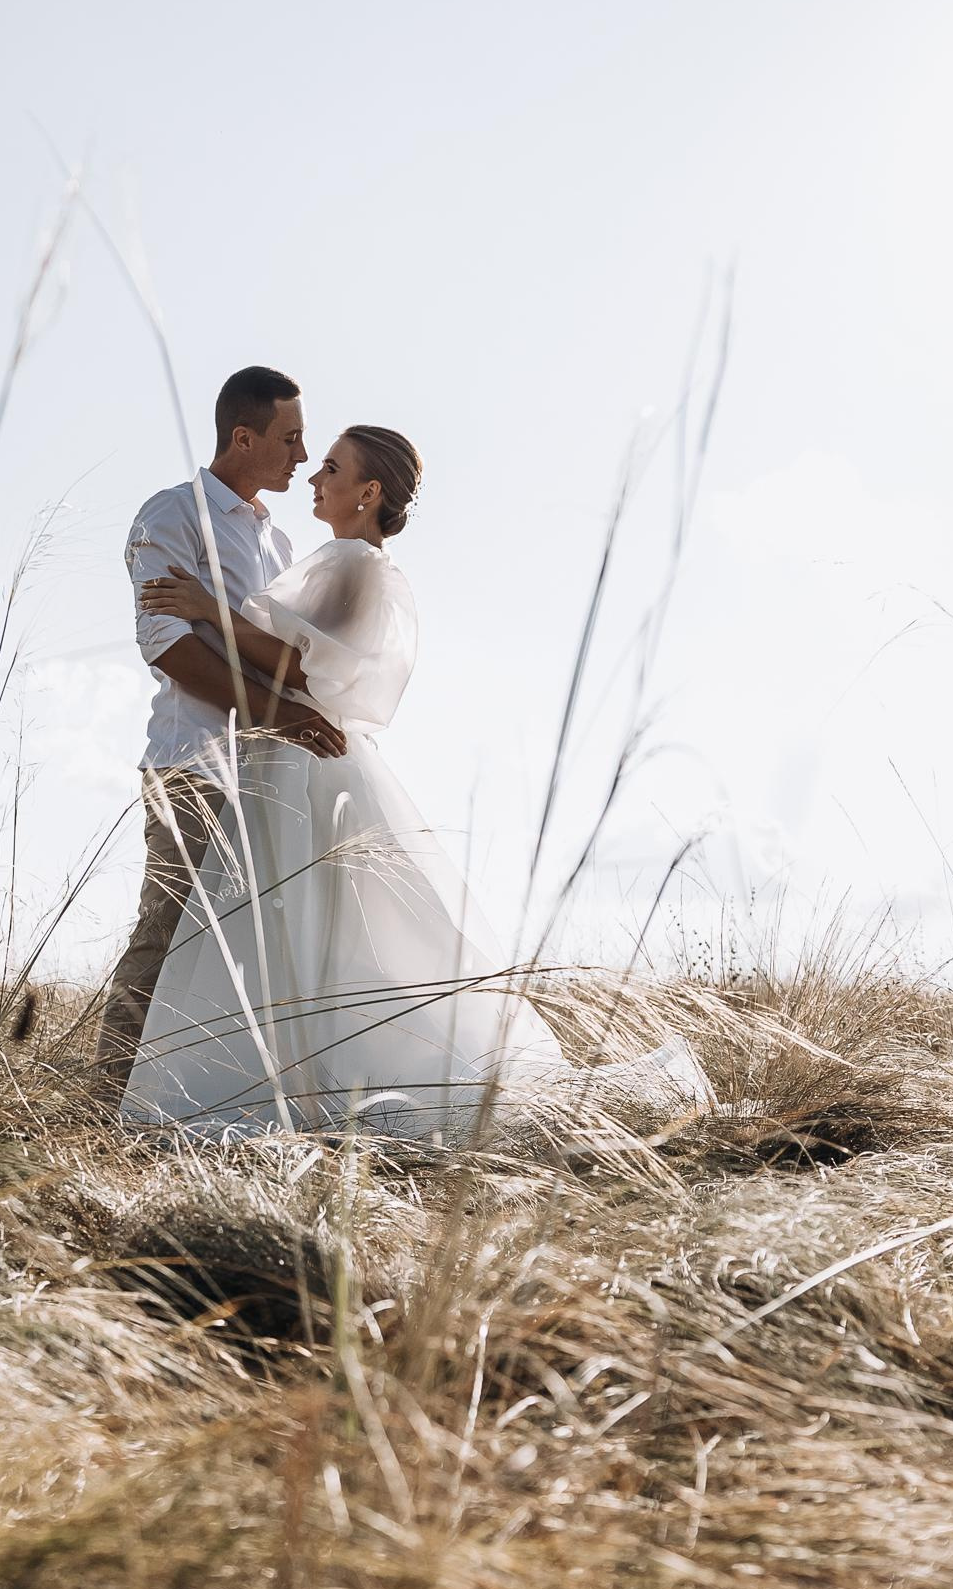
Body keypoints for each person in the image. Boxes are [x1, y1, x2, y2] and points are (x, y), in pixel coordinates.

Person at [119, 421, 707, 1144]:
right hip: (283, 755)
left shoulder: (355, 565)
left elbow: (311, 669)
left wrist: (209, 610)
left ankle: (299, 1084)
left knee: (306, 926)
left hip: (302, 756)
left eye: (330, 466)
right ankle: (287, 1075)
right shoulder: (334, 558)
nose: (313, 474)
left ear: (367, 492)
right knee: (287, 930)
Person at [90, 366, 348, 1096]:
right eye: (289, 439)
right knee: (164, 935)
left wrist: (289, 711)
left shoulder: (280, 545)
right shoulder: (167, 516)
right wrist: (280, 715)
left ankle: (206, 1098)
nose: (301, 457)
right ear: (244, 437)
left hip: (271, 778)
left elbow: (283, 662)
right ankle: (105, 1100)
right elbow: (169, 647)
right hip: (192, 764)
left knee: (252, 948)